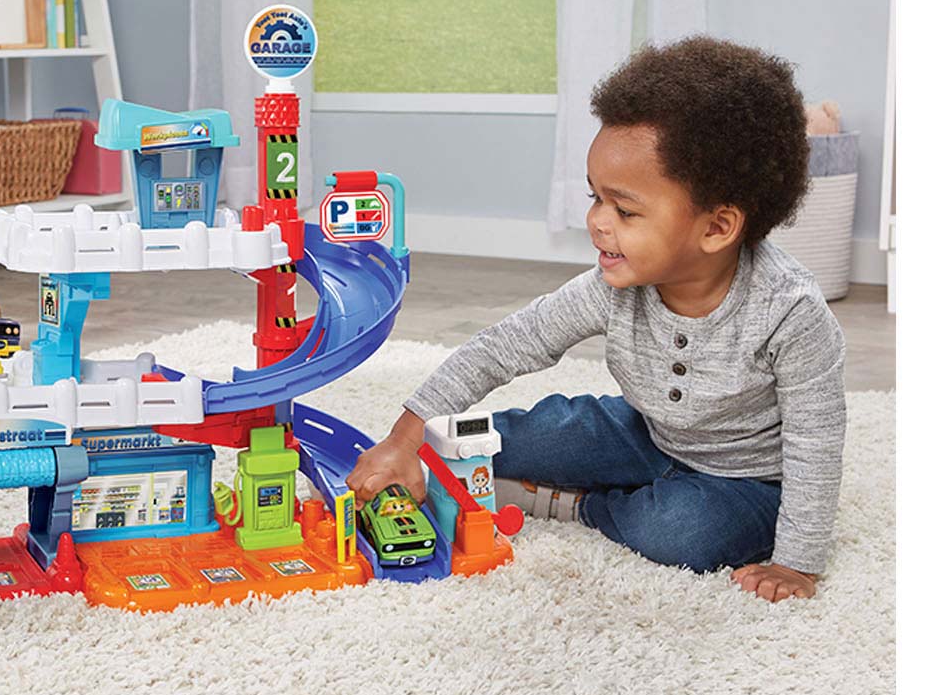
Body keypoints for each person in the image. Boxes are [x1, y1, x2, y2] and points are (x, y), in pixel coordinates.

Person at [348, 36, 846, 603]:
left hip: (745, 481)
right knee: (533, 435)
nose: (597, 222)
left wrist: (796, 563)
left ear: (716, 227)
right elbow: (504, 346)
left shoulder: (791, 312)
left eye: (625, 210)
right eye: (595, 198)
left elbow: (816, 444)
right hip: (647, 433)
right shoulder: (614, 286)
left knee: (681, 531)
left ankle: (580, 506)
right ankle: (484, 465)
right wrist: (405, 440)